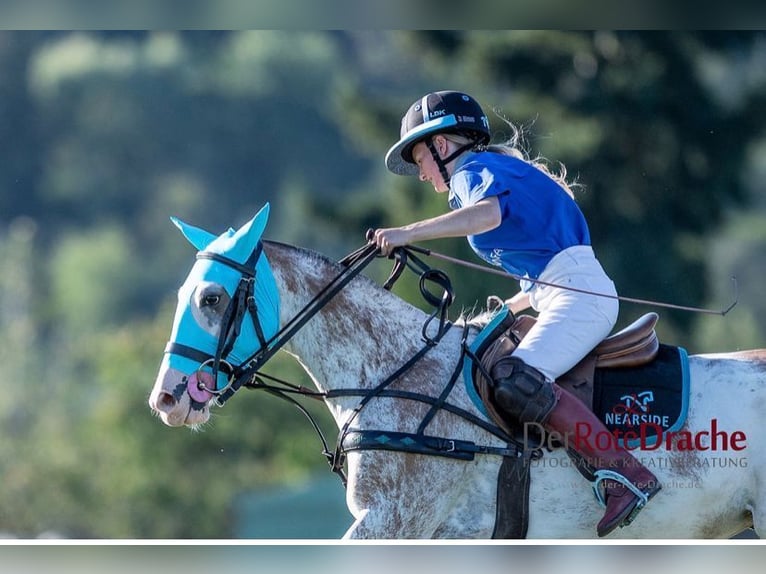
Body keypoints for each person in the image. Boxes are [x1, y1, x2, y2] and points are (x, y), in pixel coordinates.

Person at [372, 90, 660, 537]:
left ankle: (628, 476)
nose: (423, 175)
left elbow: (486, 215)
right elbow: (544, 272)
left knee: (512, 378)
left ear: (442, 146)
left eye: (420, 159)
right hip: (569, 290)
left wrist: (407, 232)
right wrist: (507, 308)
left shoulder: (472, 173)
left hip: (578, 296)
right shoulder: (496, 169)